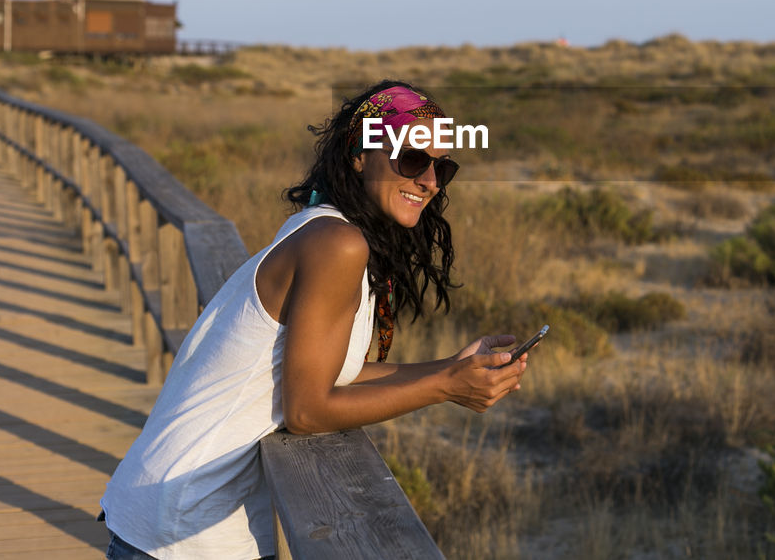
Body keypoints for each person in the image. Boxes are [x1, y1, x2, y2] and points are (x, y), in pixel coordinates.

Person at [100, 81, 528, 560]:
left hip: (175, 512)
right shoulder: (337, 244)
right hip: (183, 525)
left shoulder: (324, 227)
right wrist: (446, 386)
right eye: (411, 159)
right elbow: (307, 411)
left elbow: (331, 373)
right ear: (359, 155)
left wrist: (447, 367)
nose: (428, 180)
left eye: (441, 167)